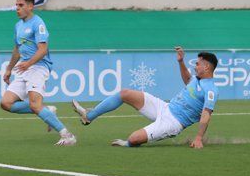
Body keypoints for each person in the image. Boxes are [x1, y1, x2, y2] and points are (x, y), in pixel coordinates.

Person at [73, 48, 218, 149]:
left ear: (206, 67)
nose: (195, 66)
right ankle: (89, 116)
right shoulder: (197, 79)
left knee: (133, 139)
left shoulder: (211, 89)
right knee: (125, 93)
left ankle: (129, 143)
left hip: (174, 122)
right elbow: (187, 80)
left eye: (197, 64)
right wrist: (180, 62)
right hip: (165, 107)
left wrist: (198, 138)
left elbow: (206, 115)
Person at [0, 0, 76, 146]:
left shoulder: (38, 23)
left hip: (38, 67)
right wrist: (9, 69)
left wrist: (28, 64)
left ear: (30, 6)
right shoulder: (18, 25)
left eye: (21, 5)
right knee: (6, 103)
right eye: (16, 5)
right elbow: (17, 49)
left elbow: (42, 50)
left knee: (35, 104)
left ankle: (67, 136)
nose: (17, 8)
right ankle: (47, 110)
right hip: (24, 68)